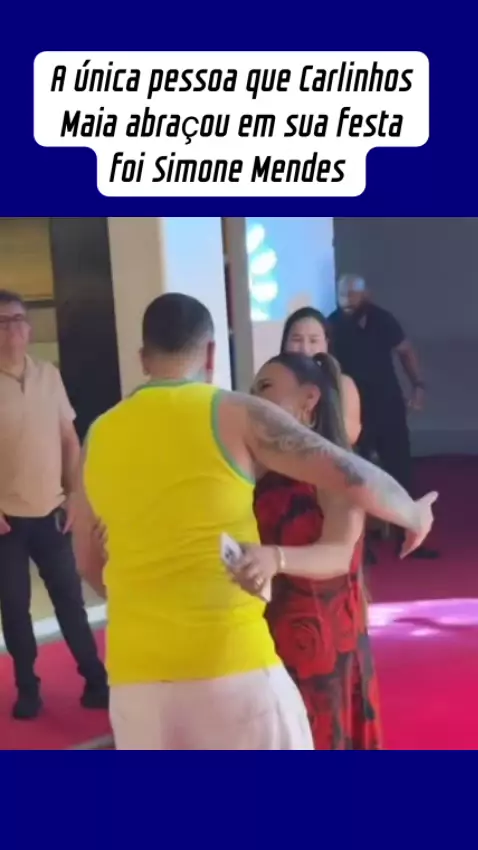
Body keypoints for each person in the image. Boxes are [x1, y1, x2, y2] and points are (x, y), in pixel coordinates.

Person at [72, 293, 436, 751]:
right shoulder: (233, 413)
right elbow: (352, 474)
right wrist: (413, 512)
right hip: (231, 663)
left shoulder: (99, 434)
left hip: (135, 676)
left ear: (143, 357)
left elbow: (87, 561)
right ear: (210, 354)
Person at [233, 351, 380, 749]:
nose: (253, 400)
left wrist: (275, 558)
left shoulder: (336, 468)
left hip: (322, 640)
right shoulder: (253, 468)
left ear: (309, 398)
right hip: (261, 634)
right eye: (252, 391)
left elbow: (338, 553)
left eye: (265, 388)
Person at [0, 289, 108, 720]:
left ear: (29, 328)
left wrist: (75, 494)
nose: (12, 329)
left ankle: (95, 681)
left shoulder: (48, 375)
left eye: (18, 319)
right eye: (3, 321)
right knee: (14, 608)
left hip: (52, 514)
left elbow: (69, 439)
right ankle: (28, 688)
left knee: (70, 602)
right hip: (6, 522)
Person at [328, 274, 437, 558]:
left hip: (387, 404)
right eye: (342, 294)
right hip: (353, 409)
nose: (347, 300)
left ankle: (410, 536)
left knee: (400, 470)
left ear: (366, 295)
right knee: (356, 475)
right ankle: (361, 545)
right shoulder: (332, 324)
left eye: (352, 294)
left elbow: (406, 351)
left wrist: (418, 385)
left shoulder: (382, 319)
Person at [281, 306, 361, 445]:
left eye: (313, 341)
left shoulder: (343, 383)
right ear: (285, 343)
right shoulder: (275, 382)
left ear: (326, 344)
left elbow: (350, 434)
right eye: (296, 340)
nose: (305, 349)